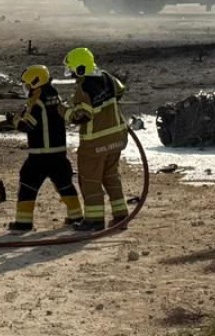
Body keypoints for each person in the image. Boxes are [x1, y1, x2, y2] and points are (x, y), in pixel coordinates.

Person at [7, 65, 84, 232]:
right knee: (64, 184)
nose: (26, 88)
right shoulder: (54, 95)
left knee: (27, 184)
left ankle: (23, 222)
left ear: (36, 82)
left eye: (28, 85)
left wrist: (14, 121)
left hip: (40, 155)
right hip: (59, 154)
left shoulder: (38, 103)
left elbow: (27, 126)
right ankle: (76, 216)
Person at [63, 46, 129, 230]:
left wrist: (63, 110)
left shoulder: (83, 89)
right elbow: (120, 91)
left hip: (95, 144)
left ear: (80, 68)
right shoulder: (108, 77)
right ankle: (121, 216)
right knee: (111, 177)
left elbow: (81, 116)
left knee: (90, 181)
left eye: (72, 69)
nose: (71, 74)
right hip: (117, 138)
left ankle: (94, 220)